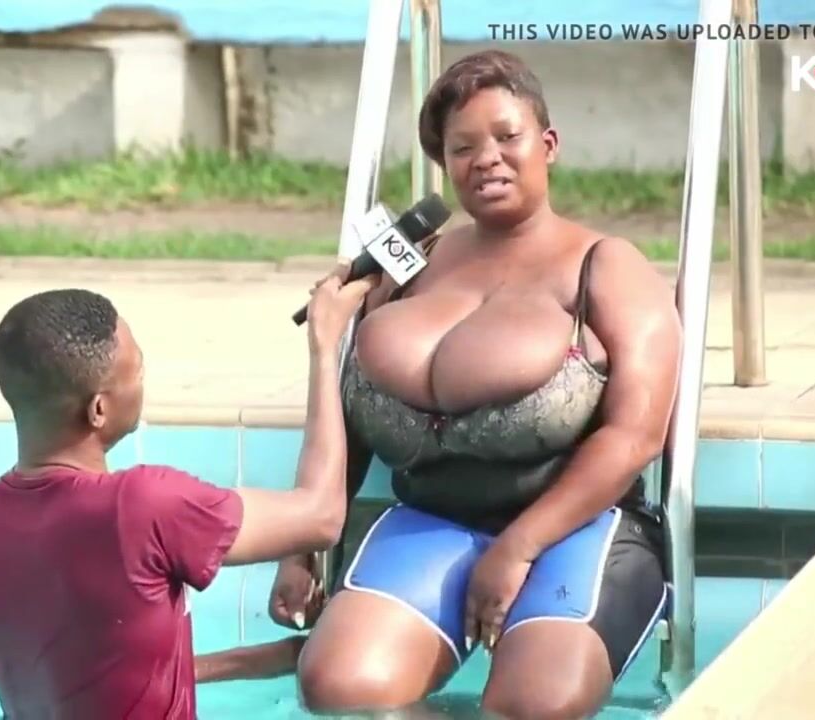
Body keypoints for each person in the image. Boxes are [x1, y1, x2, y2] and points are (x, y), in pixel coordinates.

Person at [265, 50, 684, 719]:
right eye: (463, 147)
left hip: (576, 529)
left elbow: (635, 437)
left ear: (548, 145)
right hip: (432, 522)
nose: (486, 158)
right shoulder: (411, 268)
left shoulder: (605, 267)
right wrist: (304, 548)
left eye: (506, 137)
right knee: (341, 691)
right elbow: (350, 421)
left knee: (535, 706)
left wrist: (519, 547)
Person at [0, 269, 377, 720]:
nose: (143, 379)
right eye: (138, 369)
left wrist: (269, 659)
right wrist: (326, 346)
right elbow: (321, 516)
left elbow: (86, 668)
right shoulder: (141, 506)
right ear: (98, 409)